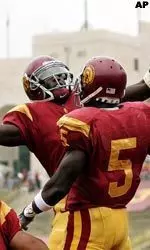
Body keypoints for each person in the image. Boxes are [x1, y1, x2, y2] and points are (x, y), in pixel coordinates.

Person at [1, 55, 150, 248]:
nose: (59, 80)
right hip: (114, 210)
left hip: (77, 206)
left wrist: (29, 211)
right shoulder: (35, 112)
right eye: (49, 77)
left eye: (60, 74)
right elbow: (130, 92)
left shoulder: (84, 99)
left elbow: (124, 91)